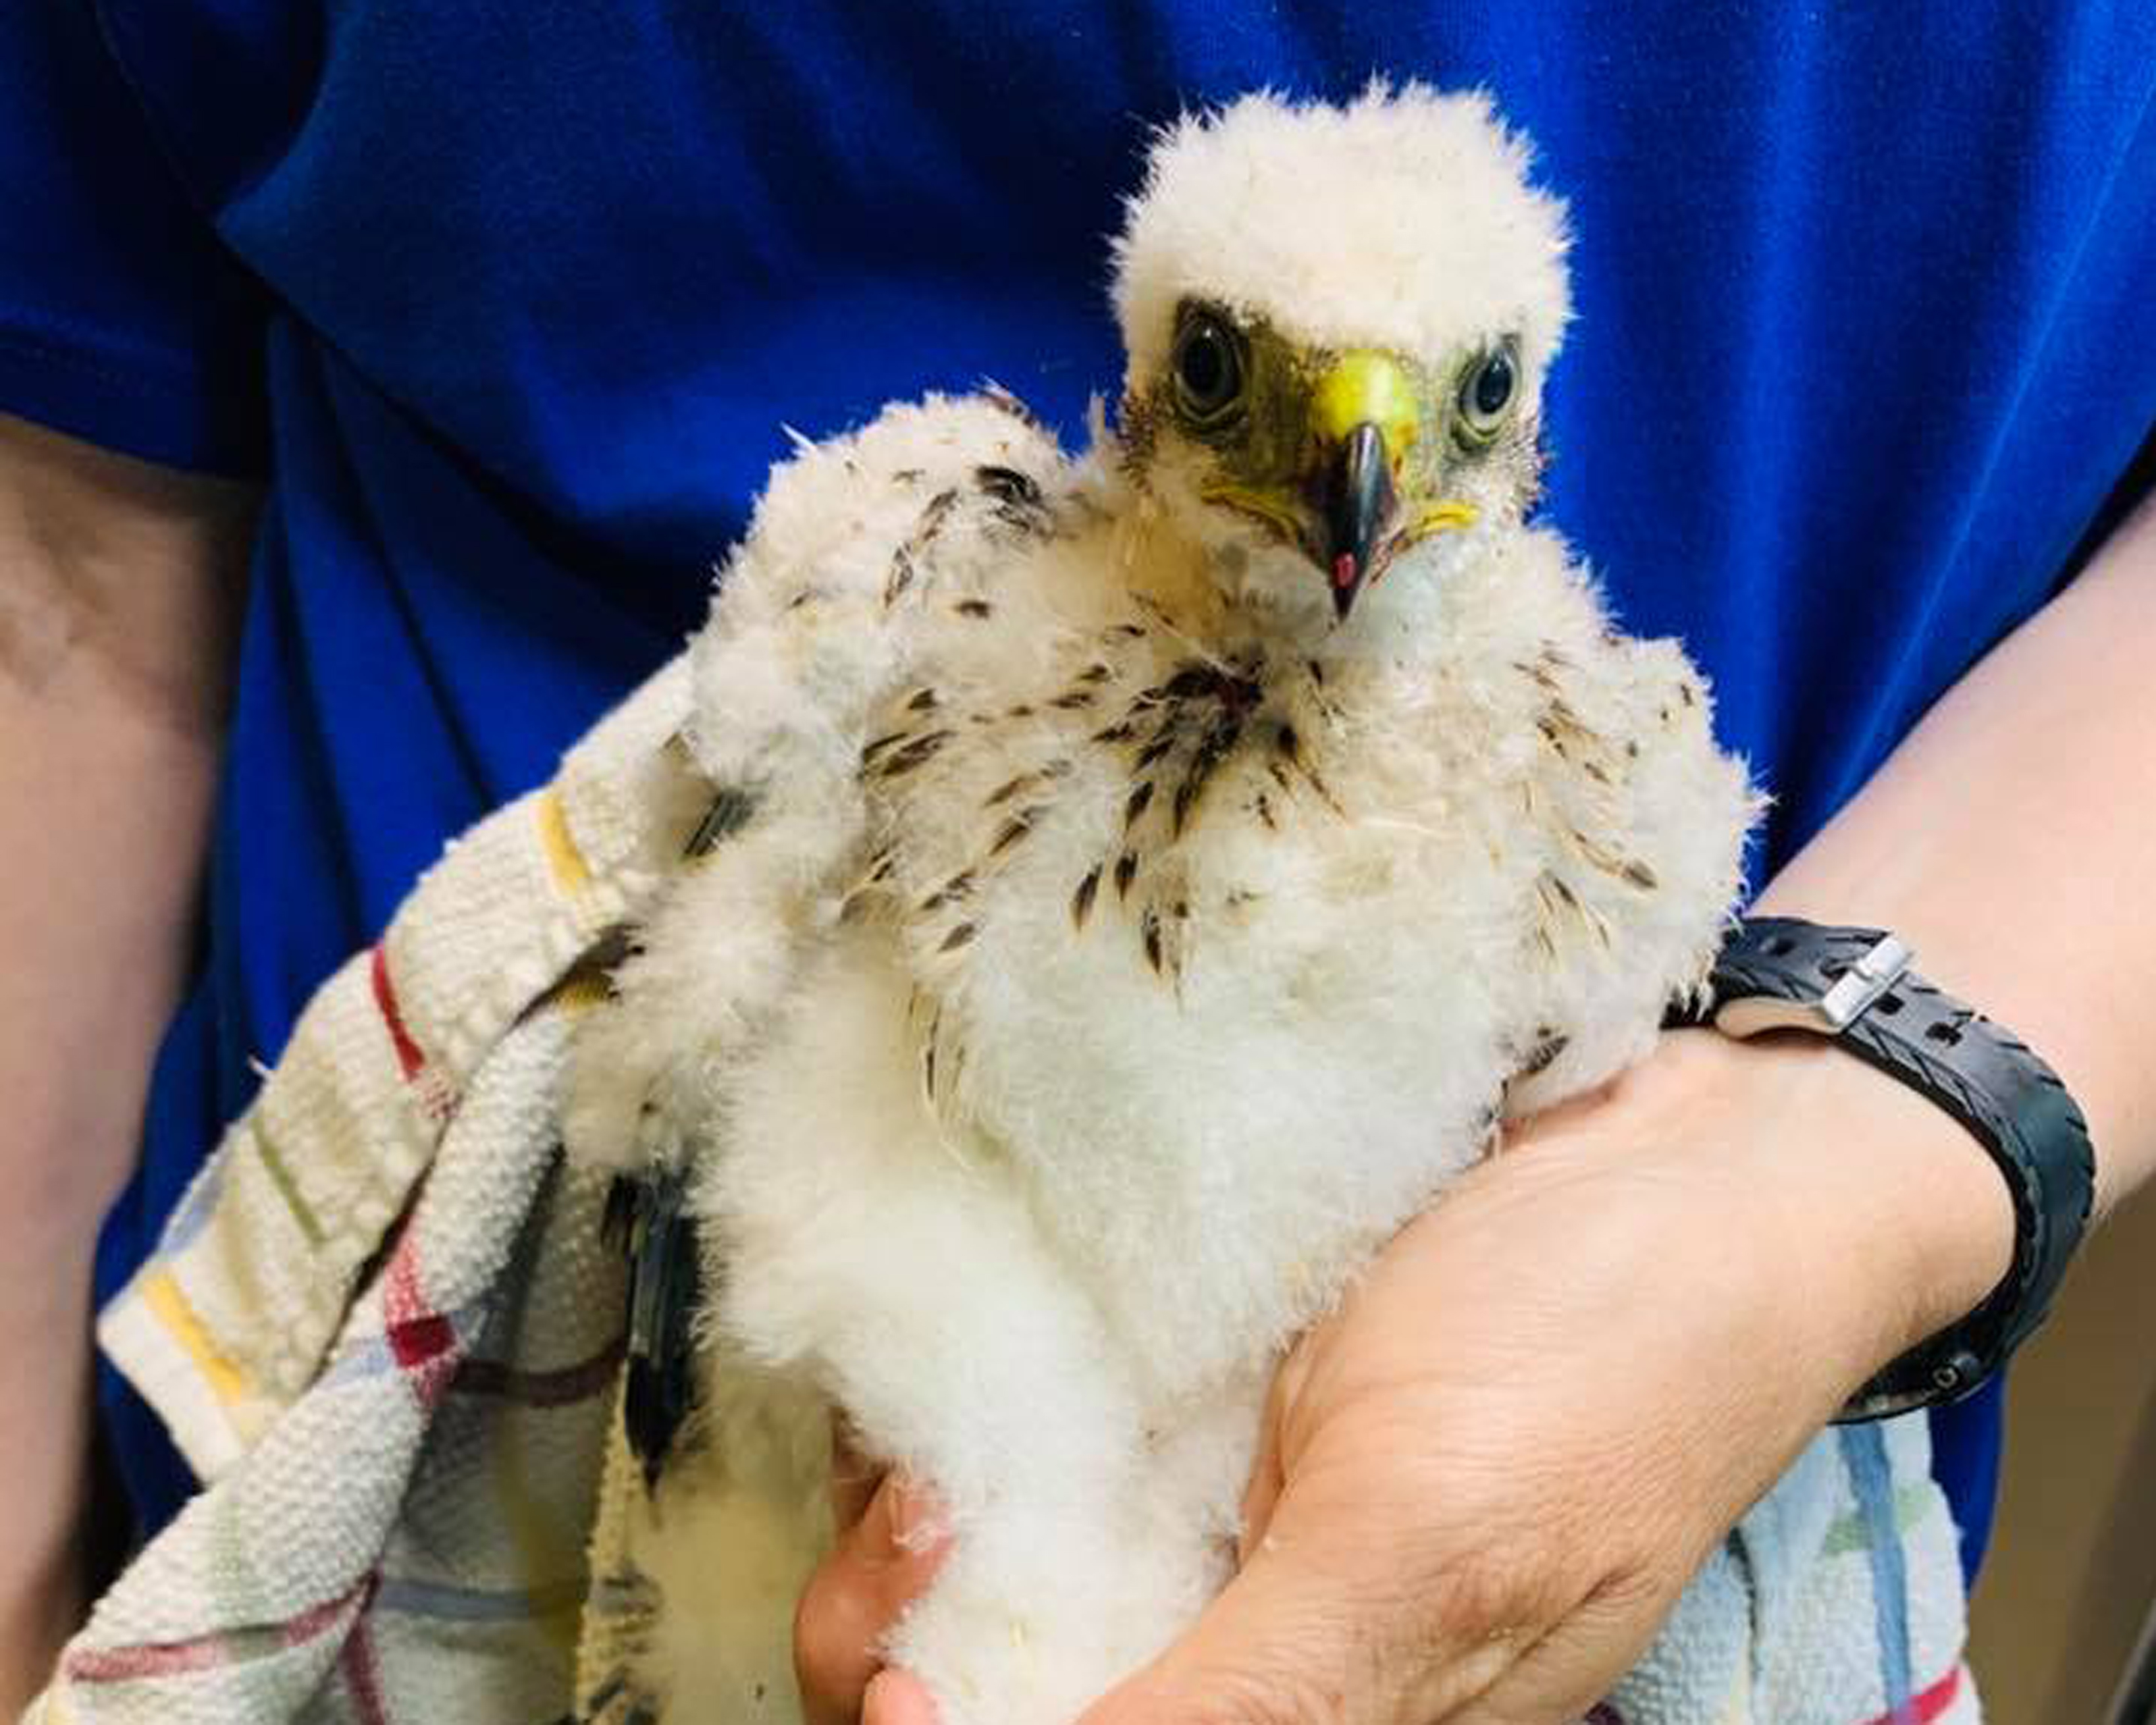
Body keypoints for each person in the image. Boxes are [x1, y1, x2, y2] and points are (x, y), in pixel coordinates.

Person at [3, 2, 2153, 1718]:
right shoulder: (921, 590)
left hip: (1602, 1458)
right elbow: (74, 599)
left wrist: (1819, 1178)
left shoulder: (1614, 763)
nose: (1355, 476)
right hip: (467, 1474)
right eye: (1240, 383)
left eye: (1455, 406)